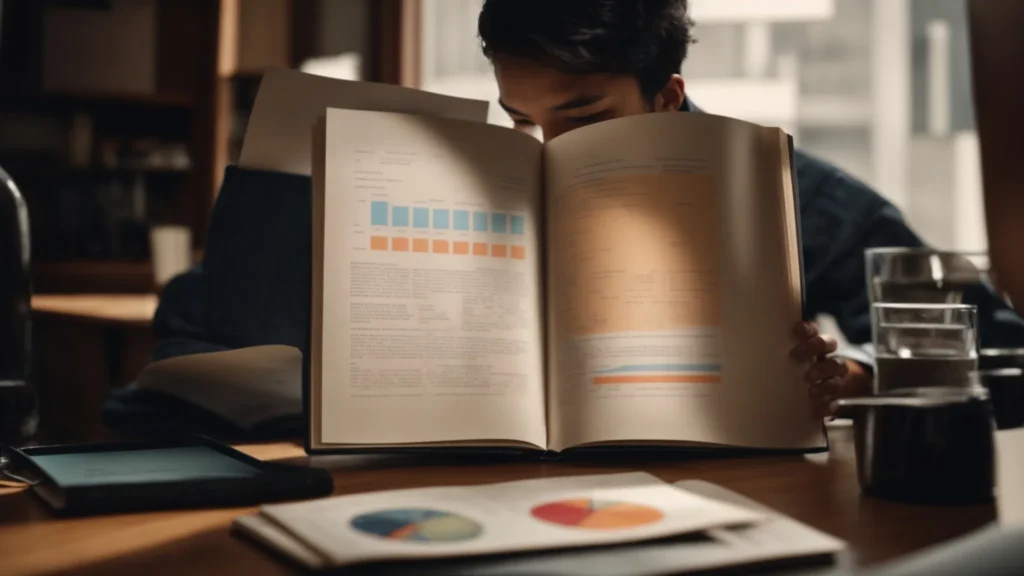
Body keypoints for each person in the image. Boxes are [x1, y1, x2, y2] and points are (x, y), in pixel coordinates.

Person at [476, 0, 1024, 417]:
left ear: (666, 99)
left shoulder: (795, 195)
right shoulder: (490, 193)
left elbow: (1001, 351)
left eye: (584, 119)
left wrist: (859, 376)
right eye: (522, 119)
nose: (548, 152)